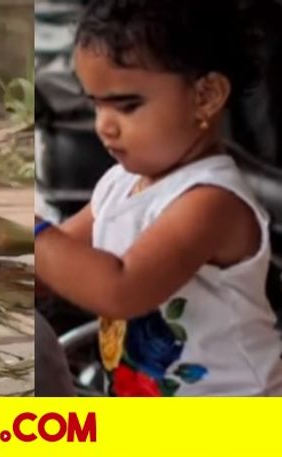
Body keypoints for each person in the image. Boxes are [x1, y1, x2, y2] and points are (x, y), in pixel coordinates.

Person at [35, 0, 282, 396]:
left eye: (127, 106)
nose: (104, 127)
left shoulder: (209, 201)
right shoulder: (119, 183)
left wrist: (34, 232)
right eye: (95, 103)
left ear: (207, 96)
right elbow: (57, 262)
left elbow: (121, 290)